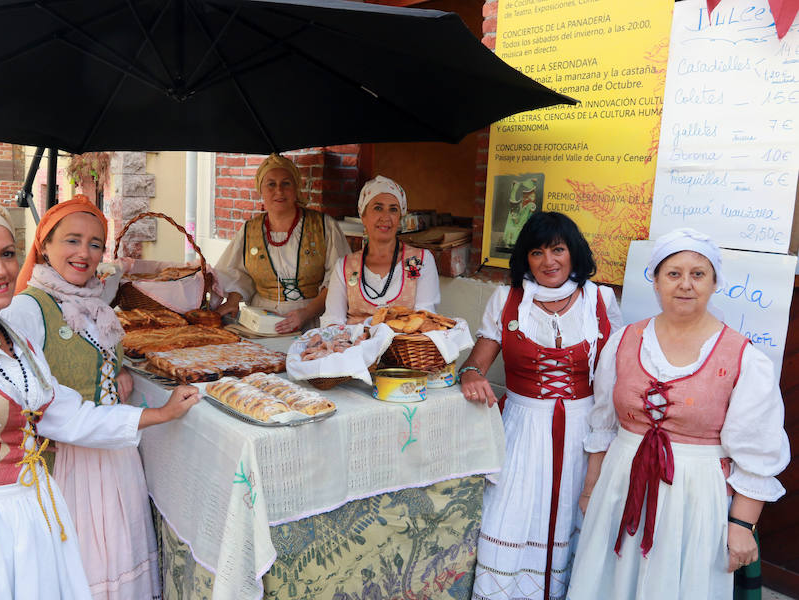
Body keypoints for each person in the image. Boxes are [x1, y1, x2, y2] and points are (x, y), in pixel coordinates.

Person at [0, 195, 199, 600]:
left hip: (29, 525)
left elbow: (64, 415)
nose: (1, 269)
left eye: (7, 253)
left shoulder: (14, 341)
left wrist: (160, 415)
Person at [567, 228, 790, 600]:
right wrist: (591, 491)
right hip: (621, 486)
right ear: (655, 281)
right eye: (673, 273)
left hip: (696, 496)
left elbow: (757, 454)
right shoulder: (624, 341)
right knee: (609, 582)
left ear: (715, 282)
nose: (685, 284)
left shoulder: (742, 357)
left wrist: (741, 525)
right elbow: (603, 424)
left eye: (698, 274)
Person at [460, 211, 622, 600]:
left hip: (585, 429)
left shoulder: (600, 299)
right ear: (525, 259)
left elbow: (617, 373)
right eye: (537, 252)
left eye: (557, 250)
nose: (548, 261)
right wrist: (470, 375)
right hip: (522, 426)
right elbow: (473, 364)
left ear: (573, 253)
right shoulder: (507, 298)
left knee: (574, 514)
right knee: (511, 514)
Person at [2, 196, 155, 600]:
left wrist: (117, 367)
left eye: (95, 244)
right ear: (45, 245)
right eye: (72, 240)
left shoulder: (95, 303)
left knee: (117, 551)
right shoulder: (26, 309)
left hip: (113, 458)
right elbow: (33, 398)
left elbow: (93, 355)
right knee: (79, 565)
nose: (84, 253)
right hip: (66, 463)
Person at [214, 154, 351, 332]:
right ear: (260, 189)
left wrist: (306, 313)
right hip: (261, 322)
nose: (279, 190)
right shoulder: (250, 231)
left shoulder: (324, 227)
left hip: (311, 322)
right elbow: (240, 274)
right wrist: (232, 302)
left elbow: (339, 279)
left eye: (286, 183)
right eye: (271, 184)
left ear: (296, 188)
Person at [320, 175, 440, 326]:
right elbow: (333, 320)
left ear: (400, 218)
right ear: (363, 215)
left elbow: (424, 318)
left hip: (404, 348)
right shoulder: (345, 267)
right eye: (378, 208)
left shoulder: (421, 260)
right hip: (355, 347)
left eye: (393, 209)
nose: (386, 217)